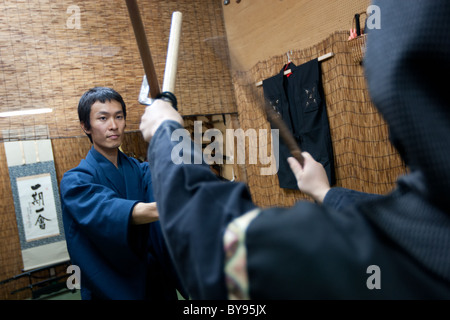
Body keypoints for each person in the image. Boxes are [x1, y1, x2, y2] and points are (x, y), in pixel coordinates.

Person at [139, 0, 450, 299]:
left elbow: (219, 247)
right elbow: (398, 215)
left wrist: (167, 133)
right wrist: (326, 192)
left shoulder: (404, 252)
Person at [60, 87, 186, 300]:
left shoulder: (141, 170)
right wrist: (167, 208)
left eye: (119, 116)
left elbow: (169, 178)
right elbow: (107, 211)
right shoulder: (75, 182)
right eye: (103, 118)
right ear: (85, 126)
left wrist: (168, 127)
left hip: (155, 283)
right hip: (112, 287)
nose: (113, 125)